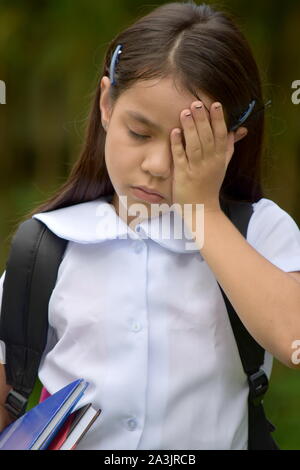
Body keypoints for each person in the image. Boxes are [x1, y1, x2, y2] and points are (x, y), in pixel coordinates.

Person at [0, 1, 300, 450]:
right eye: (139, 133)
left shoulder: (258, 230)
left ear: (231, 142)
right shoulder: (48, 246)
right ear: (106, 104)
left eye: (187, 147)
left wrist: (203, 211)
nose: (157, 165)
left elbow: (292, 337)